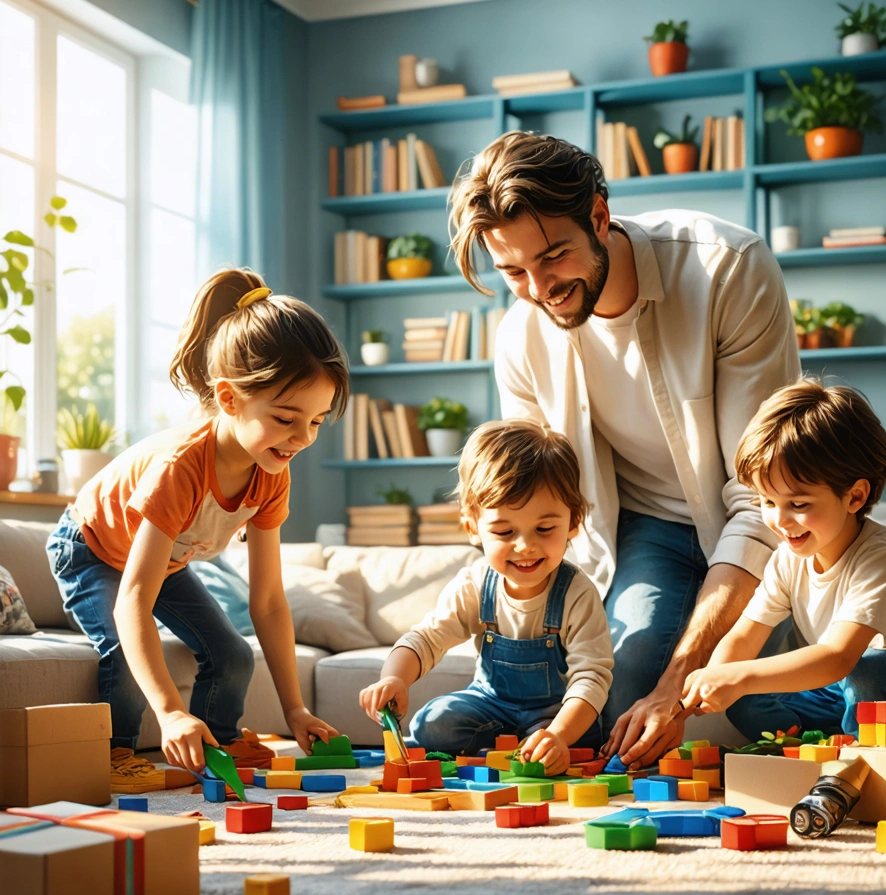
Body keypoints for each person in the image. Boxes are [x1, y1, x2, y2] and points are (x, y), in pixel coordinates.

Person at [447, 130, 799, 764]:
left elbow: (761, 497)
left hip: (760, 520)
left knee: (755, 698)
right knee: (623, 685)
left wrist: (676, 687)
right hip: (646, 531)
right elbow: (535, 503)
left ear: (599, 216)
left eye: (554, 256)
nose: (540, 288)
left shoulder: (728, 269)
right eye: (513, 272)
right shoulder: (521, 336)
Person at [46, 269, 349, 790]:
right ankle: (115, 753)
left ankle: (218, 742)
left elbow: (269, 602)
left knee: (232, 653)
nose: (302, 438)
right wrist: (170, 713)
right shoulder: (180, 468)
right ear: (229, 399)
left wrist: (295, 708)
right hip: (90, 549)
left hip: (164, 562)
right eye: (285, 419)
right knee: (123, 652)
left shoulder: (271, 472)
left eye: (317, 421)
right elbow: (132, 601)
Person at [680, 379, 886, 736]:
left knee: (866, 670)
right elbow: (743, 638)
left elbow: (839, 656)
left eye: (798, 504)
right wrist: (715, 679)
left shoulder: (881, 560)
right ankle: (808, 748)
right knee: (745, 696)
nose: (779, 520)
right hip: (837, 686)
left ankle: (857, 760)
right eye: (767, 501)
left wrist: (739, 676)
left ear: (855, 497)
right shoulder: (786, 560)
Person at [358, 420, 613, 776]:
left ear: (574, 521)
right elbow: (427, 638)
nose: (525, 546)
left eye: (544, 529)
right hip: (490, 706)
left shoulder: (578, 592)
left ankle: (537, 745)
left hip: (555, 713)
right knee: (432, 723)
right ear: (472, 528)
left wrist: (558, 735)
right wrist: (394, 678)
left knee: (585, 732)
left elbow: (591, 677)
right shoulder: (475, 584)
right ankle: (509, 748)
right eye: (504, 531)